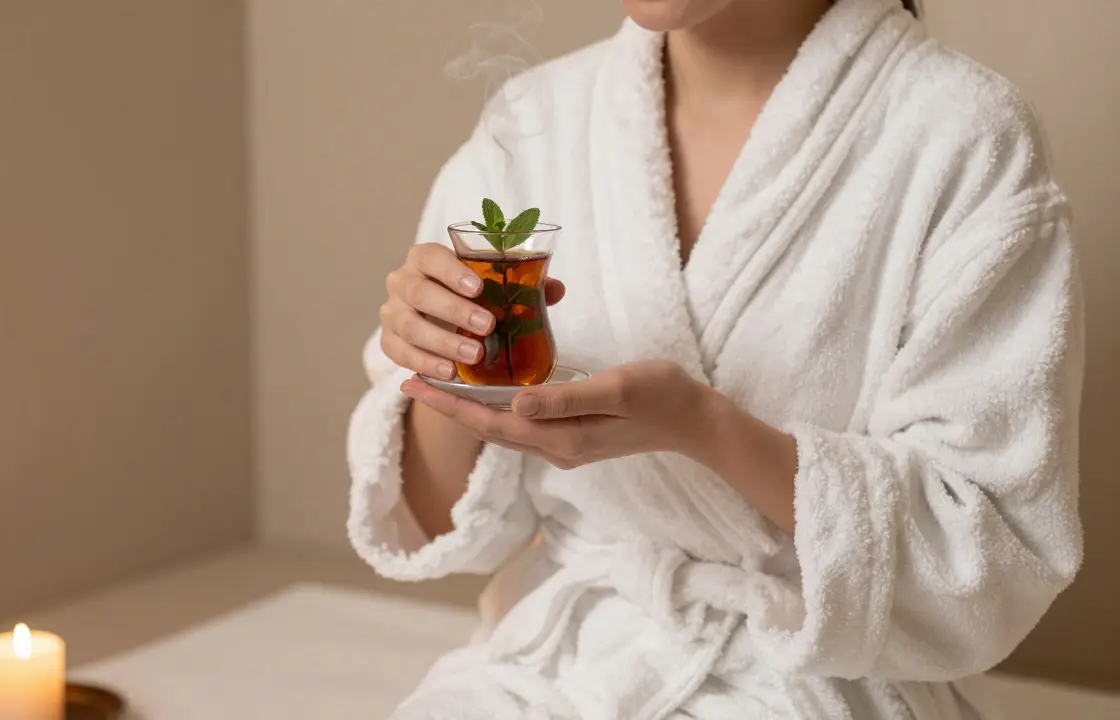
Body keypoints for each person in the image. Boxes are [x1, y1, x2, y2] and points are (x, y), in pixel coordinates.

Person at [346, 0, 1084, 717]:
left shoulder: (965, 134)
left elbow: (986, 560)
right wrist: (444, 367)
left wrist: (702, 428)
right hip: (565, 666)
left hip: (818, 678)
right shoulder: (535, 120)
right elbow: (439, 523)